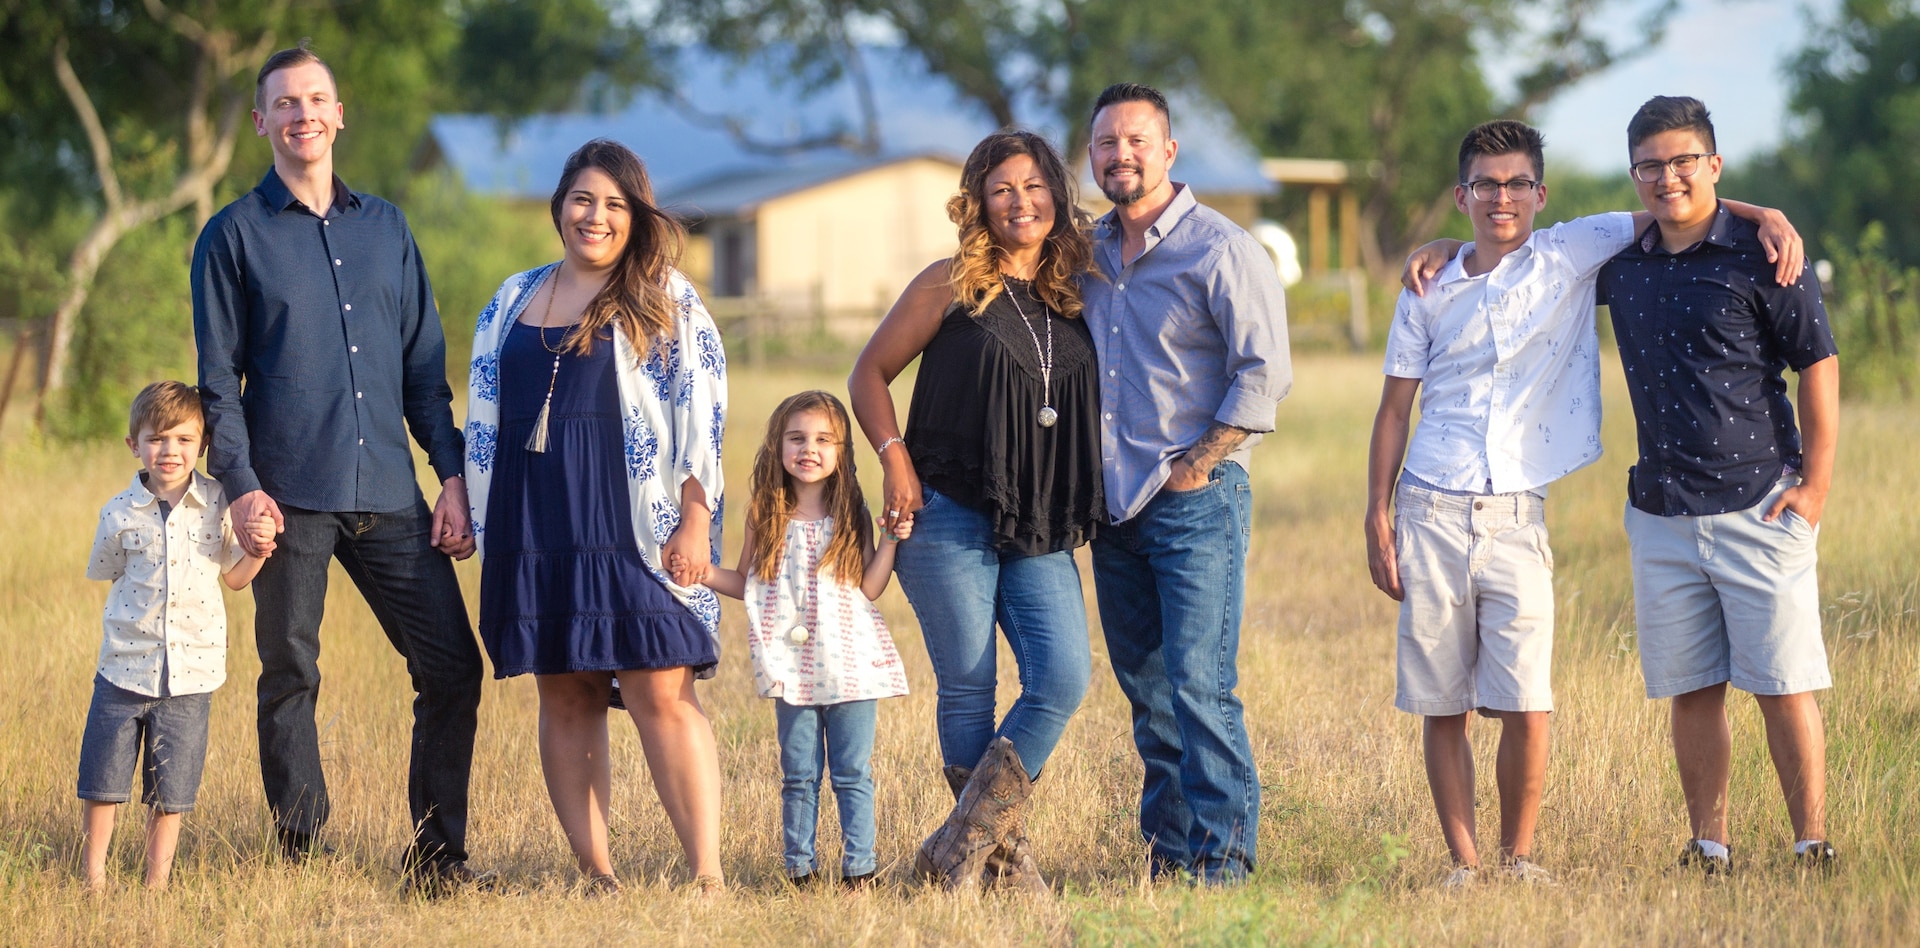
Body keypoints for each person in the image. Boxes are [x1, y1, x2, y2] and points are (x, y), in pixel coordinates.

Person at [1375, 121, 1804, 888]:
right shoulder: (1429, 285)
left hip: (1516, 510)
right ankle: (1463, 866)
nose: (1500, 198)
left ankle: (1520, 857)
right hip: (1430, 502)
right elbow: (1392, 410)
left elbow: (1681, 202)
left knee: (1526, 699)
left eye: (1516, 185)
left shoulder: (1574, 247)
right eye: (1484, 184)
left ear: (1540, 194)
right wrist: (1377, 511)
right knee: (1442, 697)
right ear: (1461, 194)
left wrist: (1762, 215)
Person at [190, 45, 487, 892]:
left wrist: (452, 477)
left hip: (392, 491)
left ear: (339, 113)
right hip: (286, 496)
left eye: (316, 99)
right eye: (284, 103)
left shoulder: (387, 227)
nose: (302, 115)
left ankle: (439, 855)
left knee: (451, 669)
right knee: (291, 673)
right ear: (261, 122)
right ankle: (302, 855)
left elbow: (425, 375)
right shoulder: (233, 236)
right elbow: (219, 381)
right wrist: (242, 486)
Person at [463, 138, 729, 894]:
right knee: (567, 689)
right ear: (559, 207)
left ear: (636, 215)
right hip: (534, 521)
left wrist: (697, 517)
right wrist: (462, 493)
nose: (596, 216)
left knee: (659, 685)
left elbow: (702, 412)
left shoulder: (667, 296)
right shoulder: (510, 297)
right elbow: (482, 410)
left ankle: (706, 874)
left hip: (633, 519)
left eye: (615, 204)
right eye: (583, 199)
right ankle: (596, 871)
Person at [848, 128, 1102, 892]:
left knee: (1062, 676)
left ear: (1056, 195)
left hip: (1040, 516)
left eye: (1032, 187)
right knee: (968, 685)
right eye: (1001, 190)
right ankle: (998, 864)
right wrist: (893, 458)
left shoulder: (1081, 290)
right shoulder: (949, 282)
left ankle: (951, 853)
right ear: (979, 203)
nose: (1019, 202)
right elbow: (869, 373)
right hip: (946, 505)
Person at [1596, 96, 1839, 875]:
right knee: (1692, 688)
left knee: (1782, 684)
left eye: (1684, 162)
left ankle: (1811, 845)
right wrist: (1439, 241)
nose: (1668, 179)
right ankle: (1709, 847)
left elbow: (1820, 367)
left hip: (1759, 506)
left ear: (1713, 165)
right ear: (1634, 174)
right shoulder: (1622, 263)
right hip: (1660, 513)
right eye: (1651, 166)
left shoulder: (1767, 255)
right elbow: (1517, 244)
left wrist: (1816, 489)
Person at [1078, 82, 1292, 885]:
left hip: (1196, 502)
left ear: (1169, 151)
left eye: (1136, 141)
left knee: (1201, 687)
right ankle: (1168, 858)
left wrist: (1198, 465)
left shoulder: (1221, 249)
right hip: (1112, 509)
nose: (1120, 155)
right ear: (1092, 156)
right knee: (1149, 695)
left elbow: (1265, 374)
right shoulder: (1088, 253)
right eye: (1106, 144)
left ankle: (1225, 862)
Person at [698, 391, 911, 891]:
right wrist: (704, 574)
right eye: (796, 438)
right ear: (778, 446)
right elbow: (747, 584)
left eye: (822, 439)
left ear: (841, 452)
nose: (808, 449)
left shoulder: (851, 509)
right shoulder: (765, 515)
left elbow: (871, 588)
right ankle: (800, 868)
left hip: (851, 664)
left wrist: (892, 541)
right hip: (790, 667)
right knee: (798, 774)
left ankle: (860, 868)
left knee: (852, 772)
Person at [77, 382, 274, 892]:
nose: (170, 451)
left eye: (184, 440)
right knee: (103, 781)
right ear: (134, 444)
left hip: (192, 673)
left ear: (203, 443)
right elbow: (110, 570)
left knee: (173, 790)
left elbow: (233, 576)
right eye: (157, 439)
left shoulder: (218, 504)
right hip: (123, 668)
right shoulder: (118, 512)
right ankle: (93, 876)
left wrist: (259, 549)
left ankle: (155, 883)